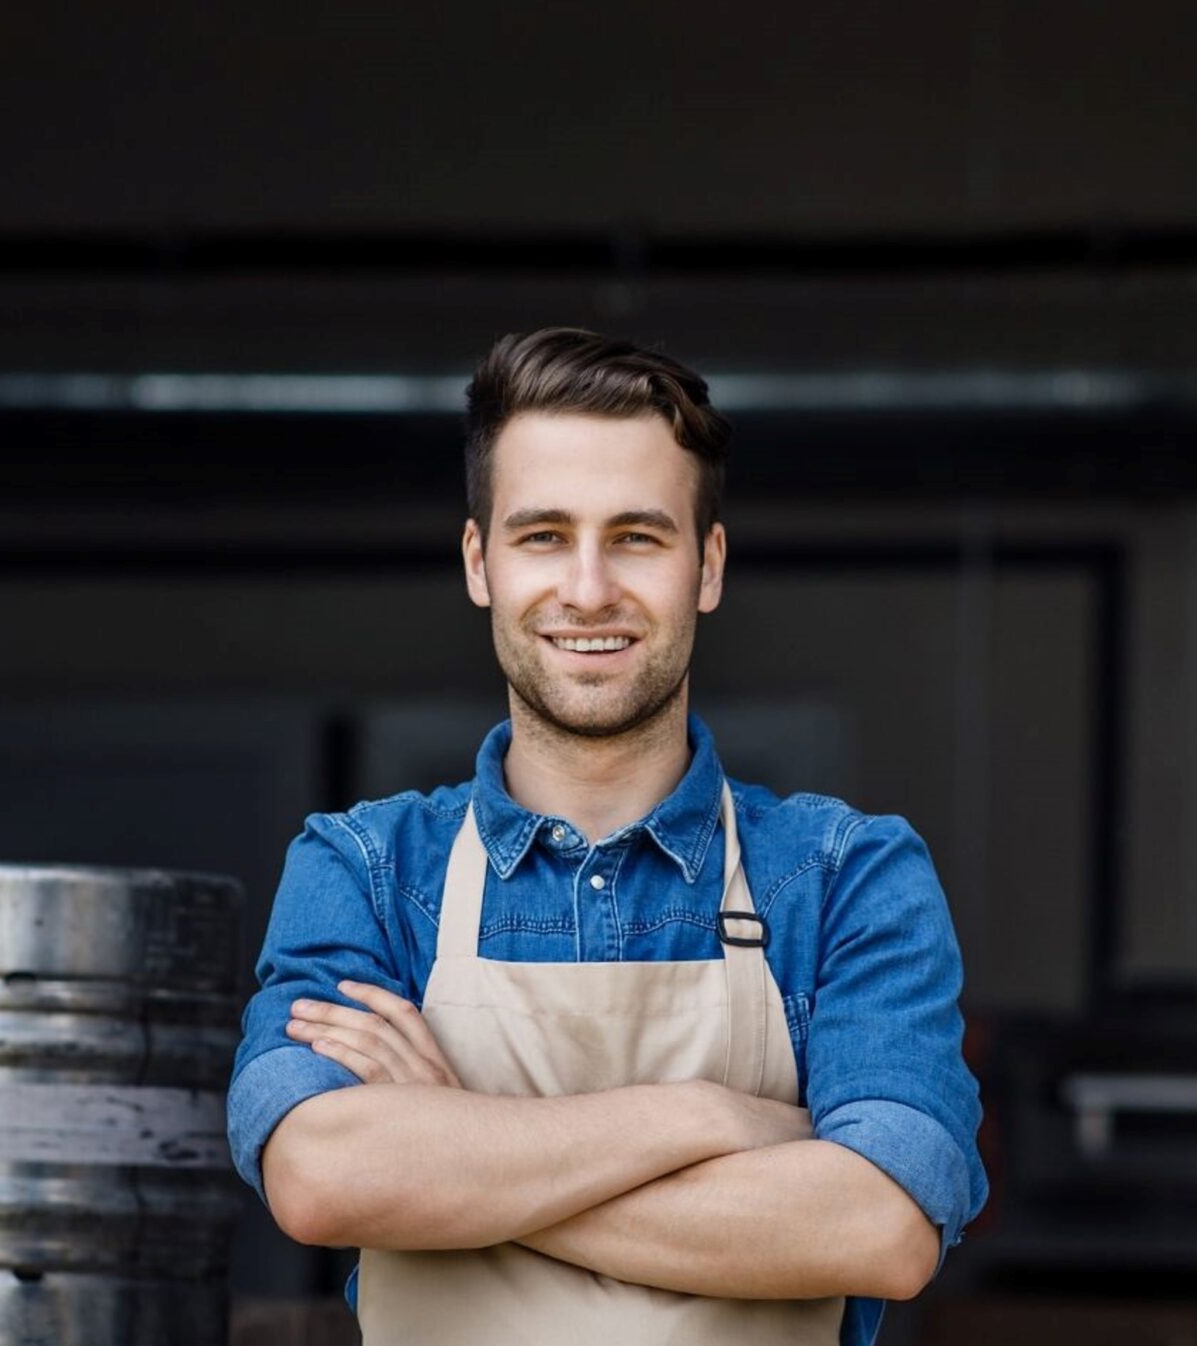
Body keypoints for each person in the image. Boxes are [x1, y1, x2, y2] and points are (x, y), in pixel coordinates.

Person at [224, 328, 986, 1345]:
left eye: (637, 535)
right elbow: (320, 1177)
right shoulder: (364, 869)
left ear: (706, 565)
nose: (588, 588)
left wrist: (462, 1147)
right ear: (478, 561)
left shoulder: (846, 877)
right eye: (542, 535)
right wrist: (708, 1119)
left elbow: (883, 1225)